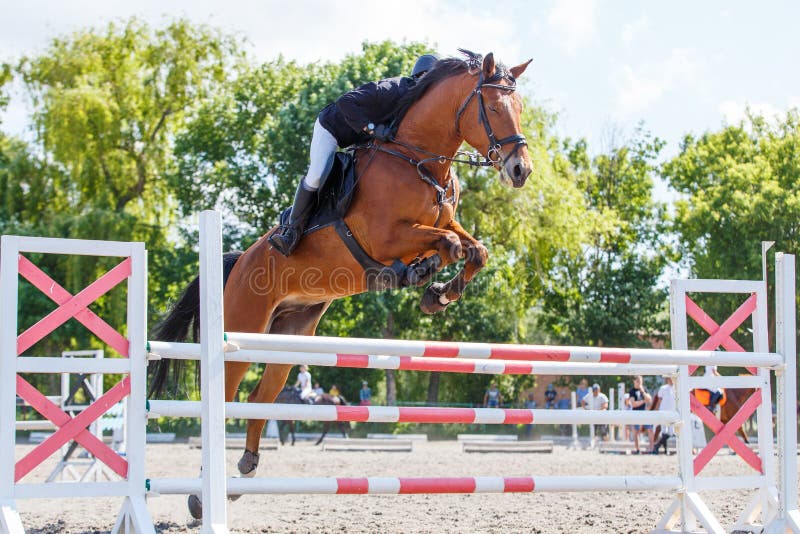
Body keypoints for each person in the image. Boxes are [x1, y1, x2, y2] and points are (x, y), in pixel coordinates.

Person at [268, 54, 439, 256]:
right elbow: (345, 101)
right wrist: (372, 129)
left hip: (360, 139)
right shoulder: (394, 88)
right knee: (316, 174)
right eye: (430, 81)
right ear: (420, 76)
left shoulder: (416, 103)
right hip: (332, 127)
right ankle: (290, 231)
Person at [626, 375, 654, 454]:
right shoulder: (632, 391)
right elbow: (633, 404)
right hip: (636, 413)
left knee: (650, 430)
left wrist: (642, 391)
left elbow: (649, 399)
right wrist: (643, 401)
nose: (639, 383)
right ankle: (638, 449)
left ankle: (652, 449)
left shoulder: (644, 389)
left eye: (640, 381)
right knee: (636, 431)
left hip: (645, 412)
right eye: (638, 381)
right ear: (634, 381)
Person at [650, 375, 676, 454]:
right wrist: (657, 411)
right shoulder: (663, 388)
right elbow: (659, 400)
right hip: (663, 411)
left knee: (671, 432)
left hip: (672, 412)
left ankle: (657, 446)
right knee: (664, 431)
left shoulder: (676, 388)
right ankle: (664, 449)